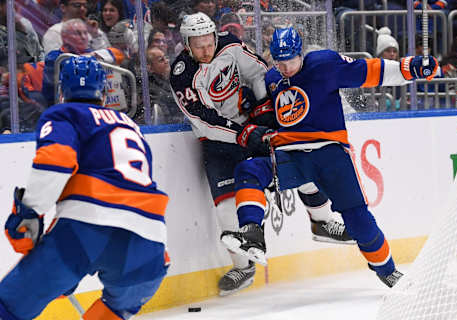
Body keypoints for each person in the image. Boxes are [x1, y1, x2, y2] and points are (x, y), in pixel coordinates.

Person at [220, 27, 439, 288]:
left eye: (290, 60)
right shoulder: (272, 78)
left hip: (330, 154)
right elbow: (272, 116)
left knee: (358, 221)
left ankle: (388, 271)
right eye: (280, 62)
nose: (286, 67)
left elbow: (369, 70)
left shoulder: (324, 64)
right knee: (249, 170)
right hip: (291, 156)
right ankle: (252, 233)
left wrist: (409, 69)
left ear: (301, 54)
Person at [170, 12, 353, 297]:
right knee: (224, 211)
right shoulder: (182, 75)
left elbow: (256, 73)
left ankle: (321, 220)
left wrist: (263, 107)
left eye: (209, 43)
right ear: (186, 45)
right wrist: (242, 133)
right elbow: (204, 119)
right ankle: (243, 268)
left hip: (251, 127)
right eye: (199, 45)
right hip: (217, 141)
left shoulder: (229, 45)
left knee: (297, 163)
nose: (206, 50)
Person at [0, 56, 169, 319]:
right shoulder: (131, 125)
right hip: (150, 242)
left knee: (9, 306)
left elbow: (54, 161)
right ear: (103, 93)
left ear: (61, 92)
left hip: (86, 231)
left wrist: (28, 213)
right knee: (114, 310)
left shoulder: (63, 113)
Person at [146, 46, 184, 124]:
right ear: (150, 68)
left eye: (166, 57)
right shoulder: (150, 89)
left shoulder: (173, 80)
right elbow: (165, 117)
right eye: (161, 60)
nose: (166, 61)